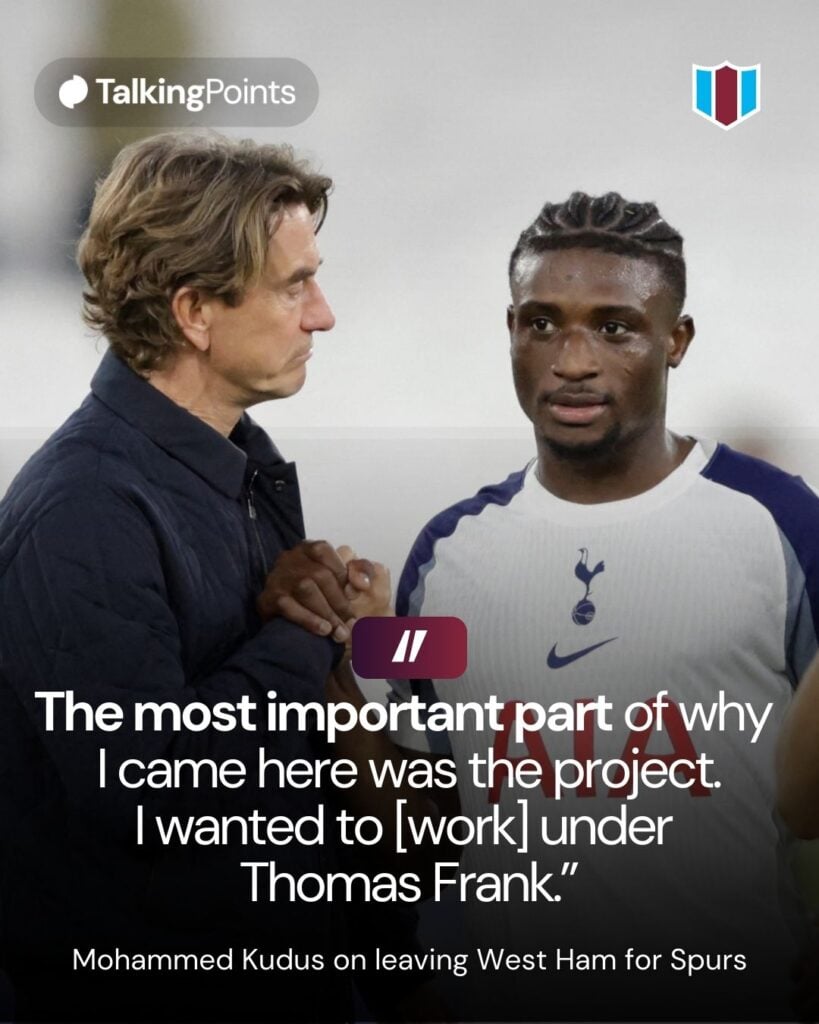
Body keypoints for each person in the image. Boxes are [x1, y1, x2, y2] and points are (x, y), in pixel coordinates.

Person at [0, 131, 421, 1023]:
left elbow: (297, 788)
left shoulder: (238, 466)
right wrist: (303, 633)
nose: (323, 315)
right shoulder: (83, 512)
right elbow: (147, 792)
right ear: (194, 311)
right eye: (295, 284)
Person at [384, 192, 819, 1021]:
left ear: (675, 340)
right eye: (542, 324)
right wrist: (340, 667)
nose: (572, 360)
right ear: (509, 329)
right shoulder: (441, 555)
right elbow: (417, 831)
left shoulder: (783, 526)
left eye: (613, 327)